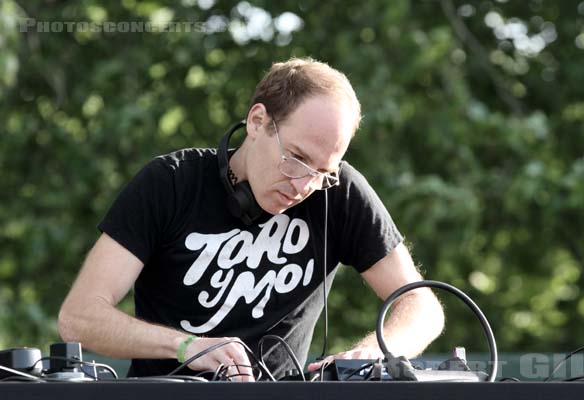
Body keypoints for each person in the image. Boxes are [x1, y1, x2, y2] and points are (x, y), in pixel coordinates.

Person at [58, 57, 444, 381]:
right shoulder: (170, 183)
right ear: (258, 121)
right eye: (296, 158)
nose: (305, 184)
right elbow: (80, 317)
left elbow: (422, 307)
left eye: (323, 171)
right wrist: (186, 346)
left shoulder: (339, 193)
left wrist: (372, 352)